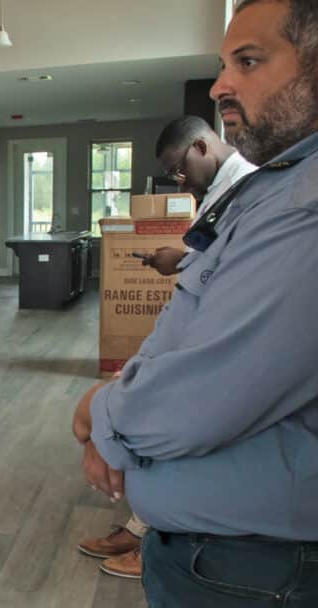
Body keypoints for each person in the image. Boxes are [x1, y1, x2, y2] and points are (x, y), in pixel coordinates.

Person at [72, 0, 318, 608]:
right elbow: (190, 320)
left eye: (249, 60)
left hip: (257, 576)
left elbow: (205, 399)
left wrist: (103, 415)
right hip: (217, 562)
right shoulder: (274, 187)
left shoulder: (306, 206)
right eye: (221, 65)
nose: (219, 86)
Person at [77, 117, 258, 580]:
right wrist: (179, 259)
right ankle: (143, 528)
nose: (180, 179)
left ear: (201, 146)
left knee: (151, 430)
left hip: (209, 346)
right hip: (180, 328)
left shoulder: (251, 190)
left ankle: (156, 538)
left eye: (179, 169)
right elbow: (211, 258)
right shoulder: (220, 192)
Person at [139, 116, 258, 276]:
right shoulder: (218, 186)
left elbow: (243, 266)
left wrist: (181, 261)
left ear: (201, 147)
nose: (181, 183)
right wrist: (183, 260)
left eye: (178, 171)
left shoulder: (248, 182)